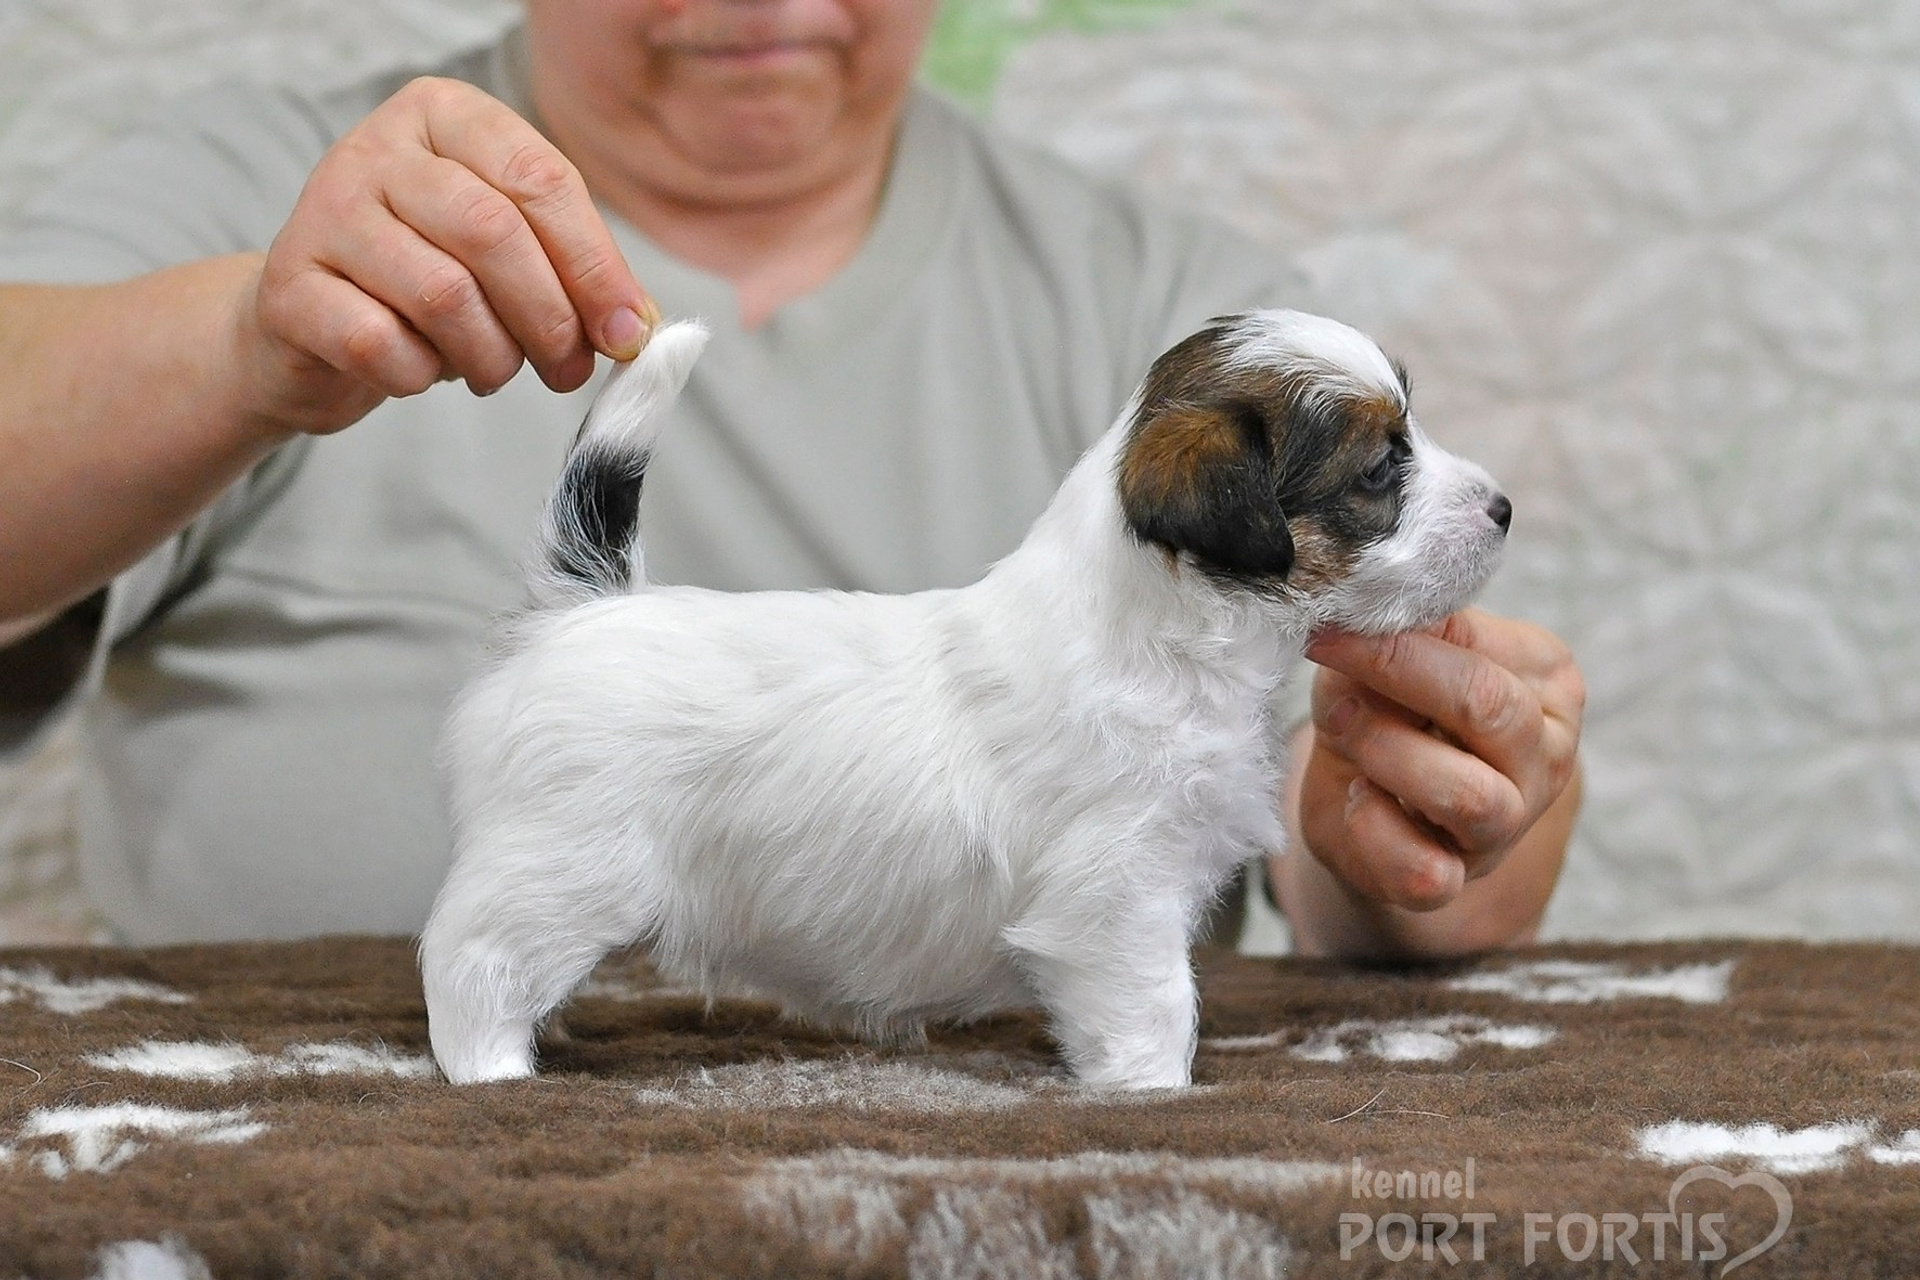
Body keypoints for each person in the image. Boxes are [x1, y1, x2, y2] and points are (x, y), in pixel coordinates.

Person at [0, 0, 1582, 954]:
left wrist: (1405, 856)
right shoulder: (258, 190)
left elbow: (1318, 802)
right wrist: (238, 343)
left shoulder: (1187, 320)